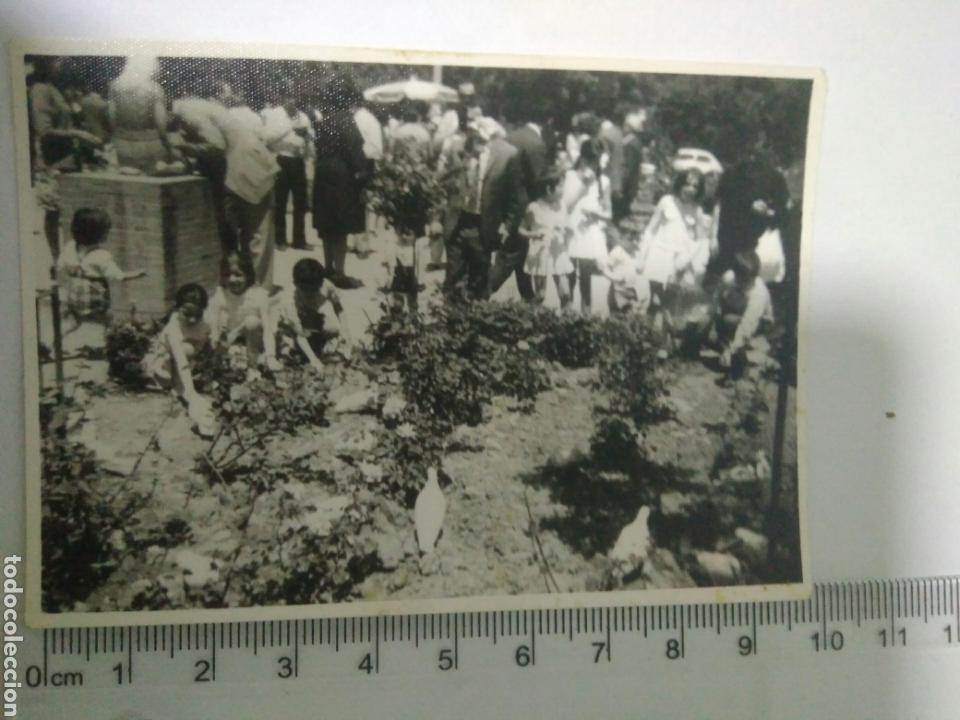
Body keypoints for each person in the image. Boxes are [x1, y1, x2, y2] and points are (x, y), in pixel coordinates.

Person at [442, 118, 526, 302]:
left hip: (484, 224)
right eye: (472, 134)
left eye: (479, 135)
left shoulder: (508, 155)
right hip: (457, 222)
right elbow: (442, 183)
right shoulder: (457, 149)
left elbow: (518, 197)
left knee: (479, 281)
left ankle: (474, 319)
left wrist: (508, 226)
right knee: (452, 279)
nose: (474, 139)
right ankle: (448, 319)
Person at [209, 90, 280, 286]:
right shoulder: (251, 117)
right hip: (246, 176)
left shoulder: (220, 115)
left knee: (244, 233)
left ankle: (251, 285)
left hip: (241, 177)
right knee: (258, 235)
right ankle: (259, 285)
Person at [312, 77, 370, 289]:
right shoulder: (346, 120)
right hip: (341, 177)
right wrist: (363, 174)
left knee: (327, 226)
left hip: (323, 174)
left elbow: (318, 148)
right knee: (340, 227)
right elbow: (355, 149)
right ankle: (340, 273)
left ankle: (328, 268)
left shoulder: (324, 120)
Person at [710, 137, 790, 282]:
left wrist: (767, 211)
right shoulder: (731, 174)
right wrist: (712, 238)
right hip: (727, 240)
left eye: (764, 145)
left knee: (749, 284)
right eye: (753, 145)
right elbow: (719, 205)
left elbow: (783, 212)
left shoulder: (776, 179)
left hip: (755, 245)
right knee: (722, 283)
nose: (757, 150)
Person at [487, 113, 549, 300]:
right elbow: (538, 181)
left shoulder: (510, 136)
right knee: (510, 256)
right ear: (548, 122)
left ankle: (528, 298)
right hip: (523, 209)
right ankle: (481, 293)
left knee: (520, 257)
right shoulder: (536, 143)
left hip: (505, 205)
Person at [685, 251, 772, 379]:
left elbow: (747, 325)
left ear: (754, 277)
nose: (744, 283)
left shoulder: (759, 293)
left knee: (729, 321)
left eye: (748, 280)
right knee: (700, 317)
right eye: (741, 279)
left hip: (757, 324)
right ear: (736, 274)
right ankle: (695, 350)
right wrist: (706, 321)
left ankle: (738, 359)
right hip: (732, 312)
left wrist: (732, 350)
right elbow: (715, 303)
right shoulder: (729, 278)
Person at [143, 283, 216, 435]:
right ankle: (197, 409)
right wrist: (191, 392)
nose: (192, 319)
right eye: (187, 313)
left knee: (192, 353)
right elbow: (180, 359)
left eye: (197, 314)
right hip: (167, 363)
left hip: (190, 364)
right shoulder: (173, 328)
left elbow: (210, 345)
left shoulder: (204, 324)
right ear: (177, 308)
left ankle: (199, 410)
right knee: (184, 387)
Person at [57, 207, 146, 329]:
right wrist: (137, 273)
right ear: (99, 234)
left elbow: (60, 265)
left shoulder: (70, 247)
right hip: (94, 302)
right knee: (106, 321)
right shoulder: (101, 255)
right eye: (106, 231)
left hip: (73, 296)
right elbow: (117, 276)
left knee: (74, 321)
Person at [638, 168, 711, 300]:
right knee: (649, 294)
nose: (690, 189)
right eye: (687, 184)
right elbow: (650, 231)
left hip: (678, 261)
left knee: (669, 298)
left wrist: (690, 260)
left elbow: (700, 241)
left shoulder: (696, 210)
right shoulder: (667, 201)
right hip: (659, 254)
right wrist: (642, 257)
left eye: (695, 186)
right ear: (680, 184)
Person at [206, 252, 280, 379]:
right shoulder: (220, 295)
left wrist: (271, 356)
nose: (232, 279)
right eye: (226, 275)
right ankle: (224, 362)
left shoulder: (258, 295)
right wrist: (215, 343)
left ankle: (253, 367)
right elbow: (212, 325)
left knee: (251, 321)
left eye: (238, 275)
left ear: (249, 275)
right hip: (232, 339)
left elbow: (268, 329)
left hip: (256, 340)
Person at [272, 258, 351, 374]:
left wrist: (346, 331)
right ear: (296, 285)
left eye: (314, 290)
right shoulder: (289, 300)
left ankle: (318, 344)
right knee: (290, 351)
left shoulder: (326, 285)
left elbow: (338, 306)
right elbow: (300, 334)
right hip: (289, 326)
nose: (310, 294)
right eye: (306, 290)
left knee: (333, 329)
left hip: (312, 318)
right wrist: (314, 361)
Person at [261, 84, 314, 250]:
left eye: (296, 97)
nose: (293, 100)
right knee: (281, 202)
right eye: (290, 97)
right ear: (283, 98)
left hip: (297, 160)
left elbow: (310, 138)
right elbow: (267, 138)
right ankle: (280, 239)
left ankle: (299, 240)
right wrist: (289, 128)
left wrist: (308, 138)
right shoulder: (274, 114)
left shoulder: (304, 116)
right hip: (281, 159)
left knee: (300, 203)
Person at [565, 139, 611, 313]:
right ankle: (567, 311)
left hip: (589, 231)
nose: (592, 164)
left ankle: (586, 314)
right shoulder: (570, 176)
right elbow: (566, 206)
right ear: (582, 159)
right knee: (568, 273)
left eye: (595, 160)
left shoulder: (603, 181)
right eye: (589, 160)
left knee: (586, 276)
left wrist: (596, 214)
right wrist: (582, 187)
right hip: (571, 229)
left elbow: (609, 214)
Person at [519, 170, 574, 307]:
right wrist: (534, 235)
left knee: (566, 294)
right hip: (541, 255)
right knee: (540, 295)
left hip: (558, 253)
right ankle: (533, 322)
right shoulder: (533, 208)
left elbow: (569, 229)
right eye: (561, 186)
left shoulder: (562, 207)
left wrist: (567, 230)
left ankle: (568, 324)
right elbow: (521, 229)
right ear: (549, 189)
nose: (563, 190)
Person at [108, 56, 169, 174]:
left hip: (121, 144)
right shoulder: (155, 88)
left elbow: (112, 118)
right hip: (150, 145)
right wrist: (166, 142)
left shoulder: (115, 86)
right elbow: (161, 123)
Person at [600, 230, 651, 316]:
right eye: (630, 240)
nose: (634, 242)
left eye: (637, 240)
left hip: (633, 290)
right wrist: (616, 278)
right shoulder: (617, 251)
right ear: (622, 240)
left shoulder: (637, 253)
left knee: (633, 314)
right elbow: (605, 269)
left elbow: (640, 270)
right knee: (617, 313)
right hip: (619, 289)